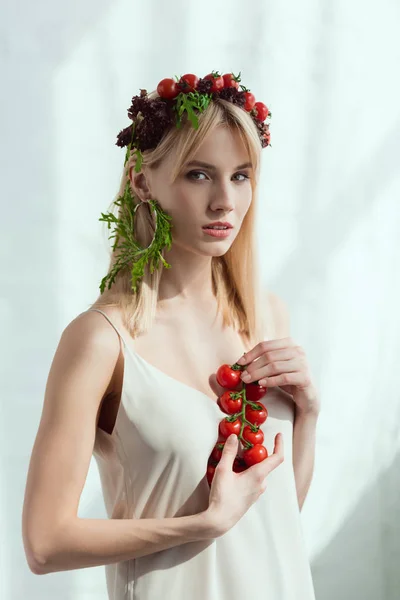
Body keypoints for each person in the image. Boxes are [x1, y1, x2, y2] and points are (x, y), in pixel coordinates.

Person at [22, 71, 318, 599]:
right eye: (200, 175)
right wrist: (201, 524)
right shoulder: (101, 340)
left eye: (242, 175)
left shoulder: (267, 317)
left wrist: (309, 416)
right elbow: (45, 544)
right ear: (141, 180)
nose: (225, 201)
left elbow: (275, 517)